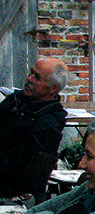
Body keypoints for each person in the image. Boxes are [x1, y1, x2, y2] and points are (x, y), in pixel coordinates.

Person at [0, 57, 69, 198]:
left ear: (53, 88)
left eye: (36, 77)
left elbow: (23, 172)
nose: (29, 79)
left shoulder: (48, 125)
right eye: (31, 73)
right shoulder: (16, 100)